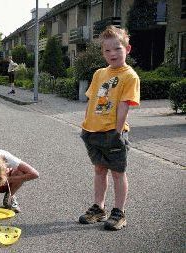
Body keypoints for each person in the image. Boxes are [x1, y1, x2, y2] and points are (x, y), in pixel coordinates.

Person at [79, 25, 140, 231]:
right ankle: (99, 208)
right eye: (107, 50)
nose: (112, 54)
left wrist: (117, 132)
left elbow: (124, 106)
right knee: (99, 170)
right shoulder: (99, 74)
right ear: (102, 52)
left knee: (117, 173)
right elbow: (92, 100)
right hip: (92, 132)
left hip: (113, 133)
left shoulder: (129, 76)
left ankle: (119, 212)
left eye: (117, 49)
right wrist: (85, 126)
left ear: (127, 49)